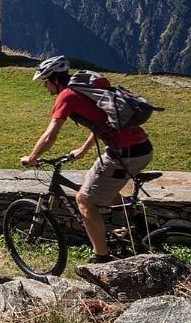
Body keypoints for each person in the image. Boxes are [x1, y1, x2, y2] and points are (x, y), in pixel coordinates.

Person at [20, 55, 154, 263]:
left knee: (84, 200)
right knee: (100, 187)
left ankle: (102, 257)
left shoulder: (67, 96)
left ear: (55, 79)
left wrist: (32, 157)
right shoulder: (85, 87)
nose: (45, 87)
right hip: (140, 147)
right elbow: (102, 122)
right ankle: (136, 222)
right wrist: (83, 149)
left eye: (45, 82)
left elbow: (50, 135)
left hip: (125, 153)